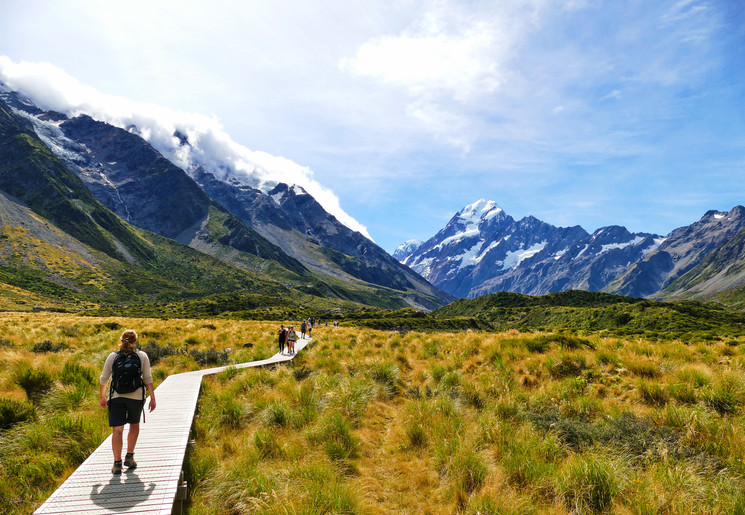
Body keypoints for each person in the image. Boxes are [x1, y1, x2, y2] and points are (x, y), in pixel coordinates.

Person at [99, 329, 156, 475]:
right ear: (135, 341)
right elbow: (148, 378)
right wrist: (153, 398)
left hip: (116, 397)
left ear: (121, 339)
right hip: (136, 397)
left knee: (117, 430)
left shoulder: (113, 356)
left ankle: (117, 464)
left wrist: (102, 396)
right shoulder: (142, 355)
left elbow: (104, 378)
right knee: (134, 425)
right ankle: (129, 457)